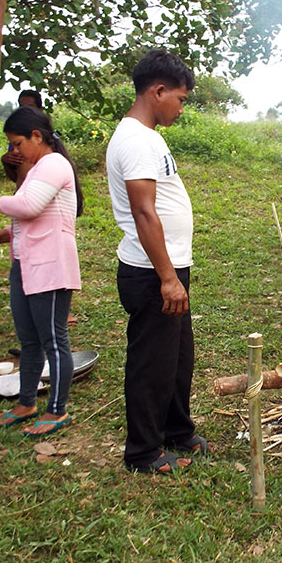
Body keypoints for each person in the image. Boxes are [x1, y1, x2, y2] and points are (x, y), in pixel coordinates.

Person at [105, 48, 213, 474]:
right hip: (152, 273)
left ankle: (176, 430)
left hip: (167, 267)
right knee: (152, 361)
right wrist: (168, 278)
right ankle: (143, 452)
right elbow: (144, 211)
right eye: (181, 99)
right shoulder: (134, 139)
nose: (181, 108)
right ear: (158, 90)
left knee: (177, 356)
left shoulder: (147, 136)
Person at [0, 107, 82, 437]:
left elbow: (30, 207)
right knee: (29, 340)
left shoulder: (53, 164)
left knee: (53, 339)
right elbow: (31, 216)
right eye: (10, 145)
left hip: (50, 265)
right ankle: (26, 402)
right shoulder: (36, 169)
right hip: (25, 264)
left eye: (17, 143)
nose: (14, 151)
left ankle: (57, 410)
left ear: (37, 136)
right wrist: (3, 235)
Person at [1, 89, 45, 185]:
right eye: (21, 107)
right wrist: (5, 161)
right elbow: (18, 179)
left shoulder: (47, 138)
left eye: (30, 107)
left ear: (40, 110)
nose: (25, 111)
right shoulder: (17, 139)